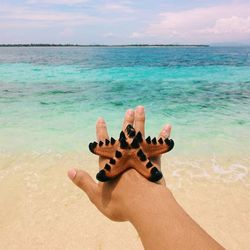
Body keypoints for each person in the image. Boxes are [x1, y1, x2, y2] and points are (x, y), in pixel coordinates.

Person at [67, 106, 224, 250]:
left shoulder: (123, 151)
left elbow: (99, 152)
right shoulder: (130, 149)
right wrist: (152, 195)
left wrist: (139, 200)